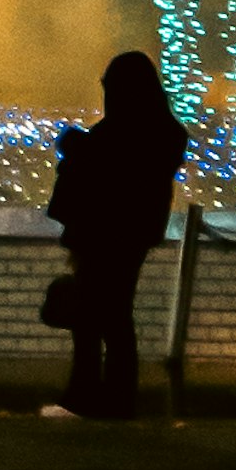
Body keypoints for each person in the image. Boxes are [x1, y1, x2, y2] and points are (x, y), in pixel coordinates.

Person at [42, 50, 188, 423]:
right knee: (116, 318)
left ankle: (85, 397)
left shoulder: (116, 133)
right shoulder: (165, 133)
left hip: (102, 236)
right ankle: (117, 400)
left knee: (92, 321)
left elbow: (102, 175)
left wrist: (75, 148)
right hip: (132, 237)